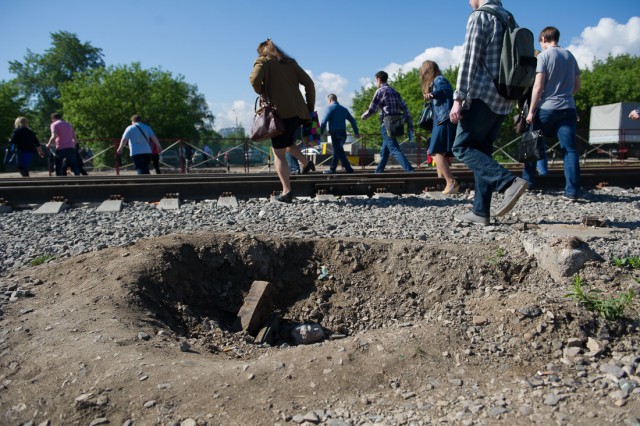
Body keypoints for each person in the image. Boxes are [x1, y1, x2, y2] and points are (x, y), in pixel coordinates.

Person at [449, 0, 529, 226]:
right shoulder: (508, 17)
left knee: (462, 147)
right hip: (504, 98)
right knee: (481, 150)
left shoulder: (480, 16)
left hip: (482, 96)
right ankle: (480, 211)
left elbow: (469, 59)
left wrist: (458, 97)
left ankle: (508, 183)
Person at [250, 39, 316, 203]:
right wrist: (309, 106)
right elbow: (309, 83)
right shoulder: (290, 62)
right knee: (286, 143)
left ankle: (287, 192)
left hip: (279, 114)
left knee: (278, 154)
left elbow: (254, 79)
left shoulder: (263, 61)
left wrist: (262, 91)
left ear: (262, 51)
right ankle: (306, 163)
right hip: (299, 113)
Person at [526, 26, 581, 201]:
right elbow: (577, 85)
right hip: (568, 109)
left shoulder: (543, 56)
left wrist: (531, 111)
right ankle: (572, 192)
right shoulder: (570, 55)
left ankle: (527, 183)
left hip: (547, 109)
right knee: (569, 151)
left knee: (533, 144)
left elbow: (538, 86)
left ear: (543, 39)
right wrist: (565, 96)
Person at [361, 71, 414, 173]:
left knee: (394, 149)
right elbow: (405, 109)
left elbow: (372, 109)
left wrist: (363, 116)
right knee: (385, 151)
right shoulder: (395, 92)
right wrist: (410, 125)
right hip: (397, 123)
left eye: (376, 80)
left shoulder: (380, 91)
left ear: (378, 79)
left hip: (387, 124)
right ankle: (379, 171)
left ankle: (410, 170)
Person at [419, 61, 458, 194]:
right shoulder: (436, 81)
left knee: (434, 151)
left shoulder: (439, 79)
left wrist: (433, 94)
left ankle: (451, 182)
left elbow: (446, 91)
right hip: (440, 120)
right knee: (436, 151)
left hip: (443, 119)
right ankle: (446, 182)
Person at [320, 94, 360, 174]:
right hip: (343, 133)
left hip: (335, 133)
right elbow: (353, 120)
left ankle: (348, 169)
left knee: (339, 151)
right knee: (337, 151)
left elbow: (324, 121)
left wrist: (320, 132)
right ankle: (332, 169)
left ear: (330, 100)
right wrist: (356, 132)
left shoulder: (330, 108)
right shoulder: (344, 109)